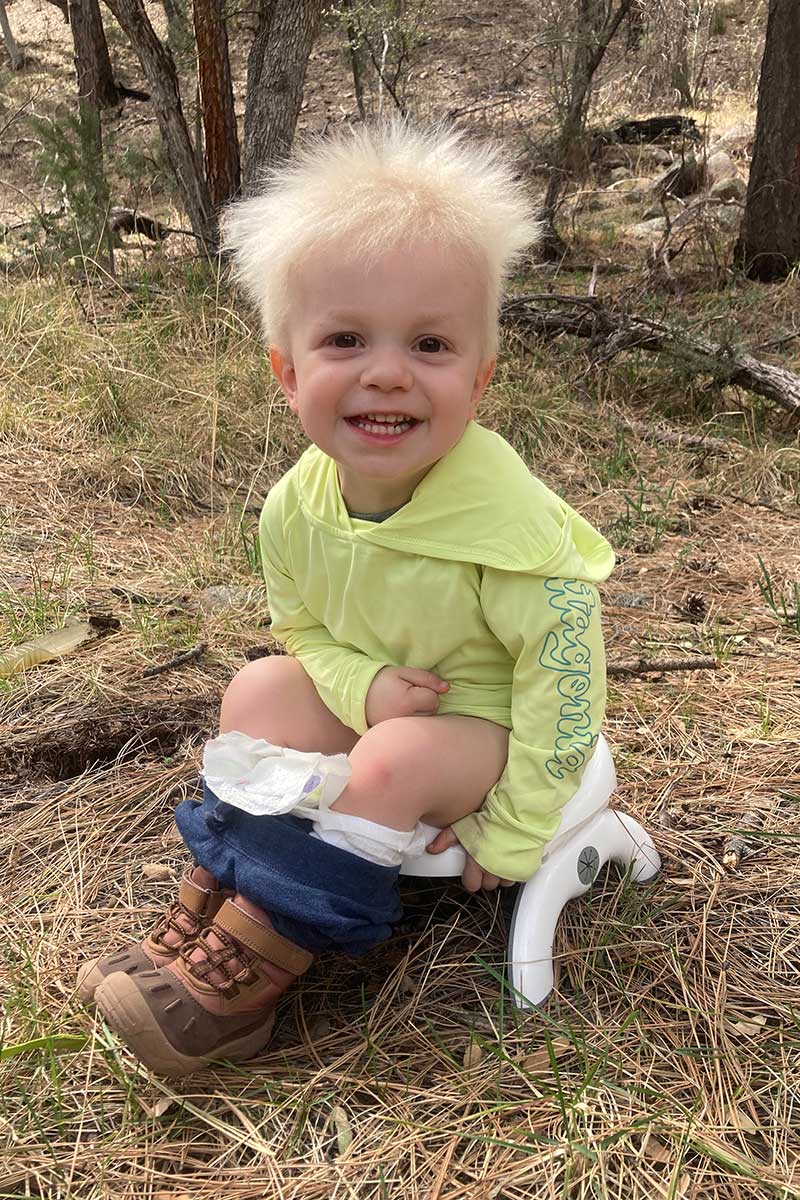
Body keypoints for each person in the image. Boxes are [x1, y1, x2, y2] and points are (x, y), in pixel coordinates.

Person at [78, 121, 615, 1078]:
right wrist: (357, 683)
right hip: (393, 703)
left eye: (432, 343)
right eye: (345, 339)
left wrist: (523, 817)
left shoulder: (510, 527)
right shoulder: (296, 506)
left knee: (402, 752)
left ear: (481, 378)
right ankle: (224, 884)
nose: (387, 370)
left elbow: (564, 677)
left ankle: (263, 953)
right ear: (288, 373)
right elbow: (303, 623)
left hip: (491, 728)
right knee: (258, 693)